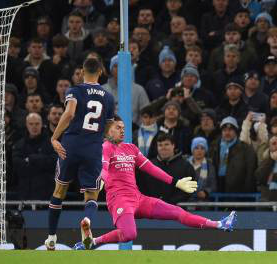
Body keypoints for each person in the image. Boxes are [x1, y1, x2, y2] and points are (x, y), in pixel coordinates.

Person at [73, 119, 236, 250]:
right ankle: (93, 241)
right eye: (117, 127)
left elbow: (151, 168)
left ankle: (220, 224)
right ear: (107, 132)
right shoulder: (106, 147)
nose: (122, 130)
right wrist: (103, 180)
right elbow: (103, 168)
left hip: (138, 198)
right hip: (119, 199)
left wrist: (176, 182)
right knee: (130, 234)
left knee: (178, 212)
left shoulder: (131, 148)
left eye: (123, 127)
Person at [45, 57, 115, 251]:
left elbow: (69, 114)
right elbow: (109, 125)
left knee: (59, 191)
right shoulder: (108, 97)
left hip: (71, 145)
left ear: (83, 72)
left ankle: (51, 238)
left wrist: (54, 137)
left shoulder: (75, 90)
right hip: (93, 148)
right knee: (92, 194)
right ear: (100, 72)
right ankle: (87, 220)